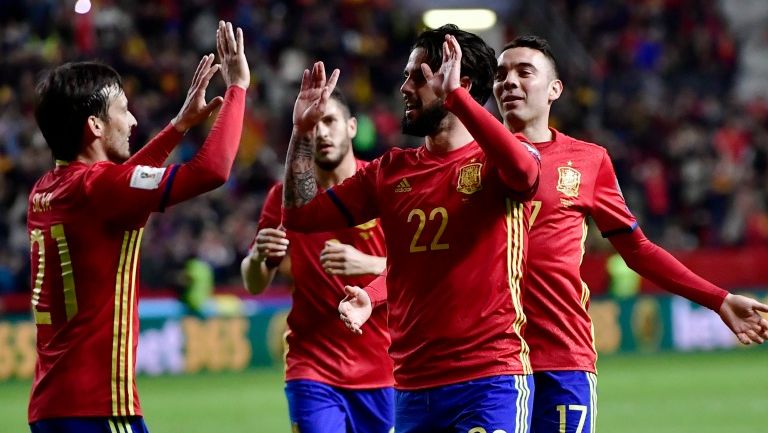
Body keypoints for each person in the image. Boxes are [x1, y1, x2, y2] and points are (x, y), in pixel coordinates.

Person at [490, 35, 768, 433]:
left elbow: (637, 250)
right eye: (500, 74)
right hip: (487, 363)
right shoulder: (469, 162)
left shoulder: (588, 160)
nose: (509, 82)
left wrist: (718, 299)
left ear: (555, 90)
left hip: (561, 358)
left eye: (524, 71)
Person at [283, 25, 541, 433]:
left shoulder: (500, 158)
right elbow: (300, 216)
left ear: (461, 82)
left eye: (418, 77)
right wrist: (300, 133)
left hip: (489, 381)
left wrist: (456, 98)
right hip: (411, 387)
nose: (404, 86)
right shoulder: (390, 172)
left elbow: (526, 174)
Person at [26, 21, 249, 433]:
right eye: (123, 110)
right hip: (99, 408)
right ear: (94, 126)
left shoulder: (46, 190)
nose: (132, 122)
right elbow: (212, 171)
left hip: (51, 409)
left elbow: (123, 183)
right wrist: (237, 88)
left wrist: (178, 127)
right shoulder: (97, 188)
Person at [240, 89, 394, 433]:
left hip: (385, 369)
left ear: (352, 127)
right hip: (312, 367)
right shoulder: (285, 197)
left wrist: (367, 263)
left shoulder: (384, 187)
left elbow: (419, 272)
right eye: (313, 126)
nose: (322, 132)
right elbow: (254, 282)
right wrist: (258, 256)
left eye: (330, 121)